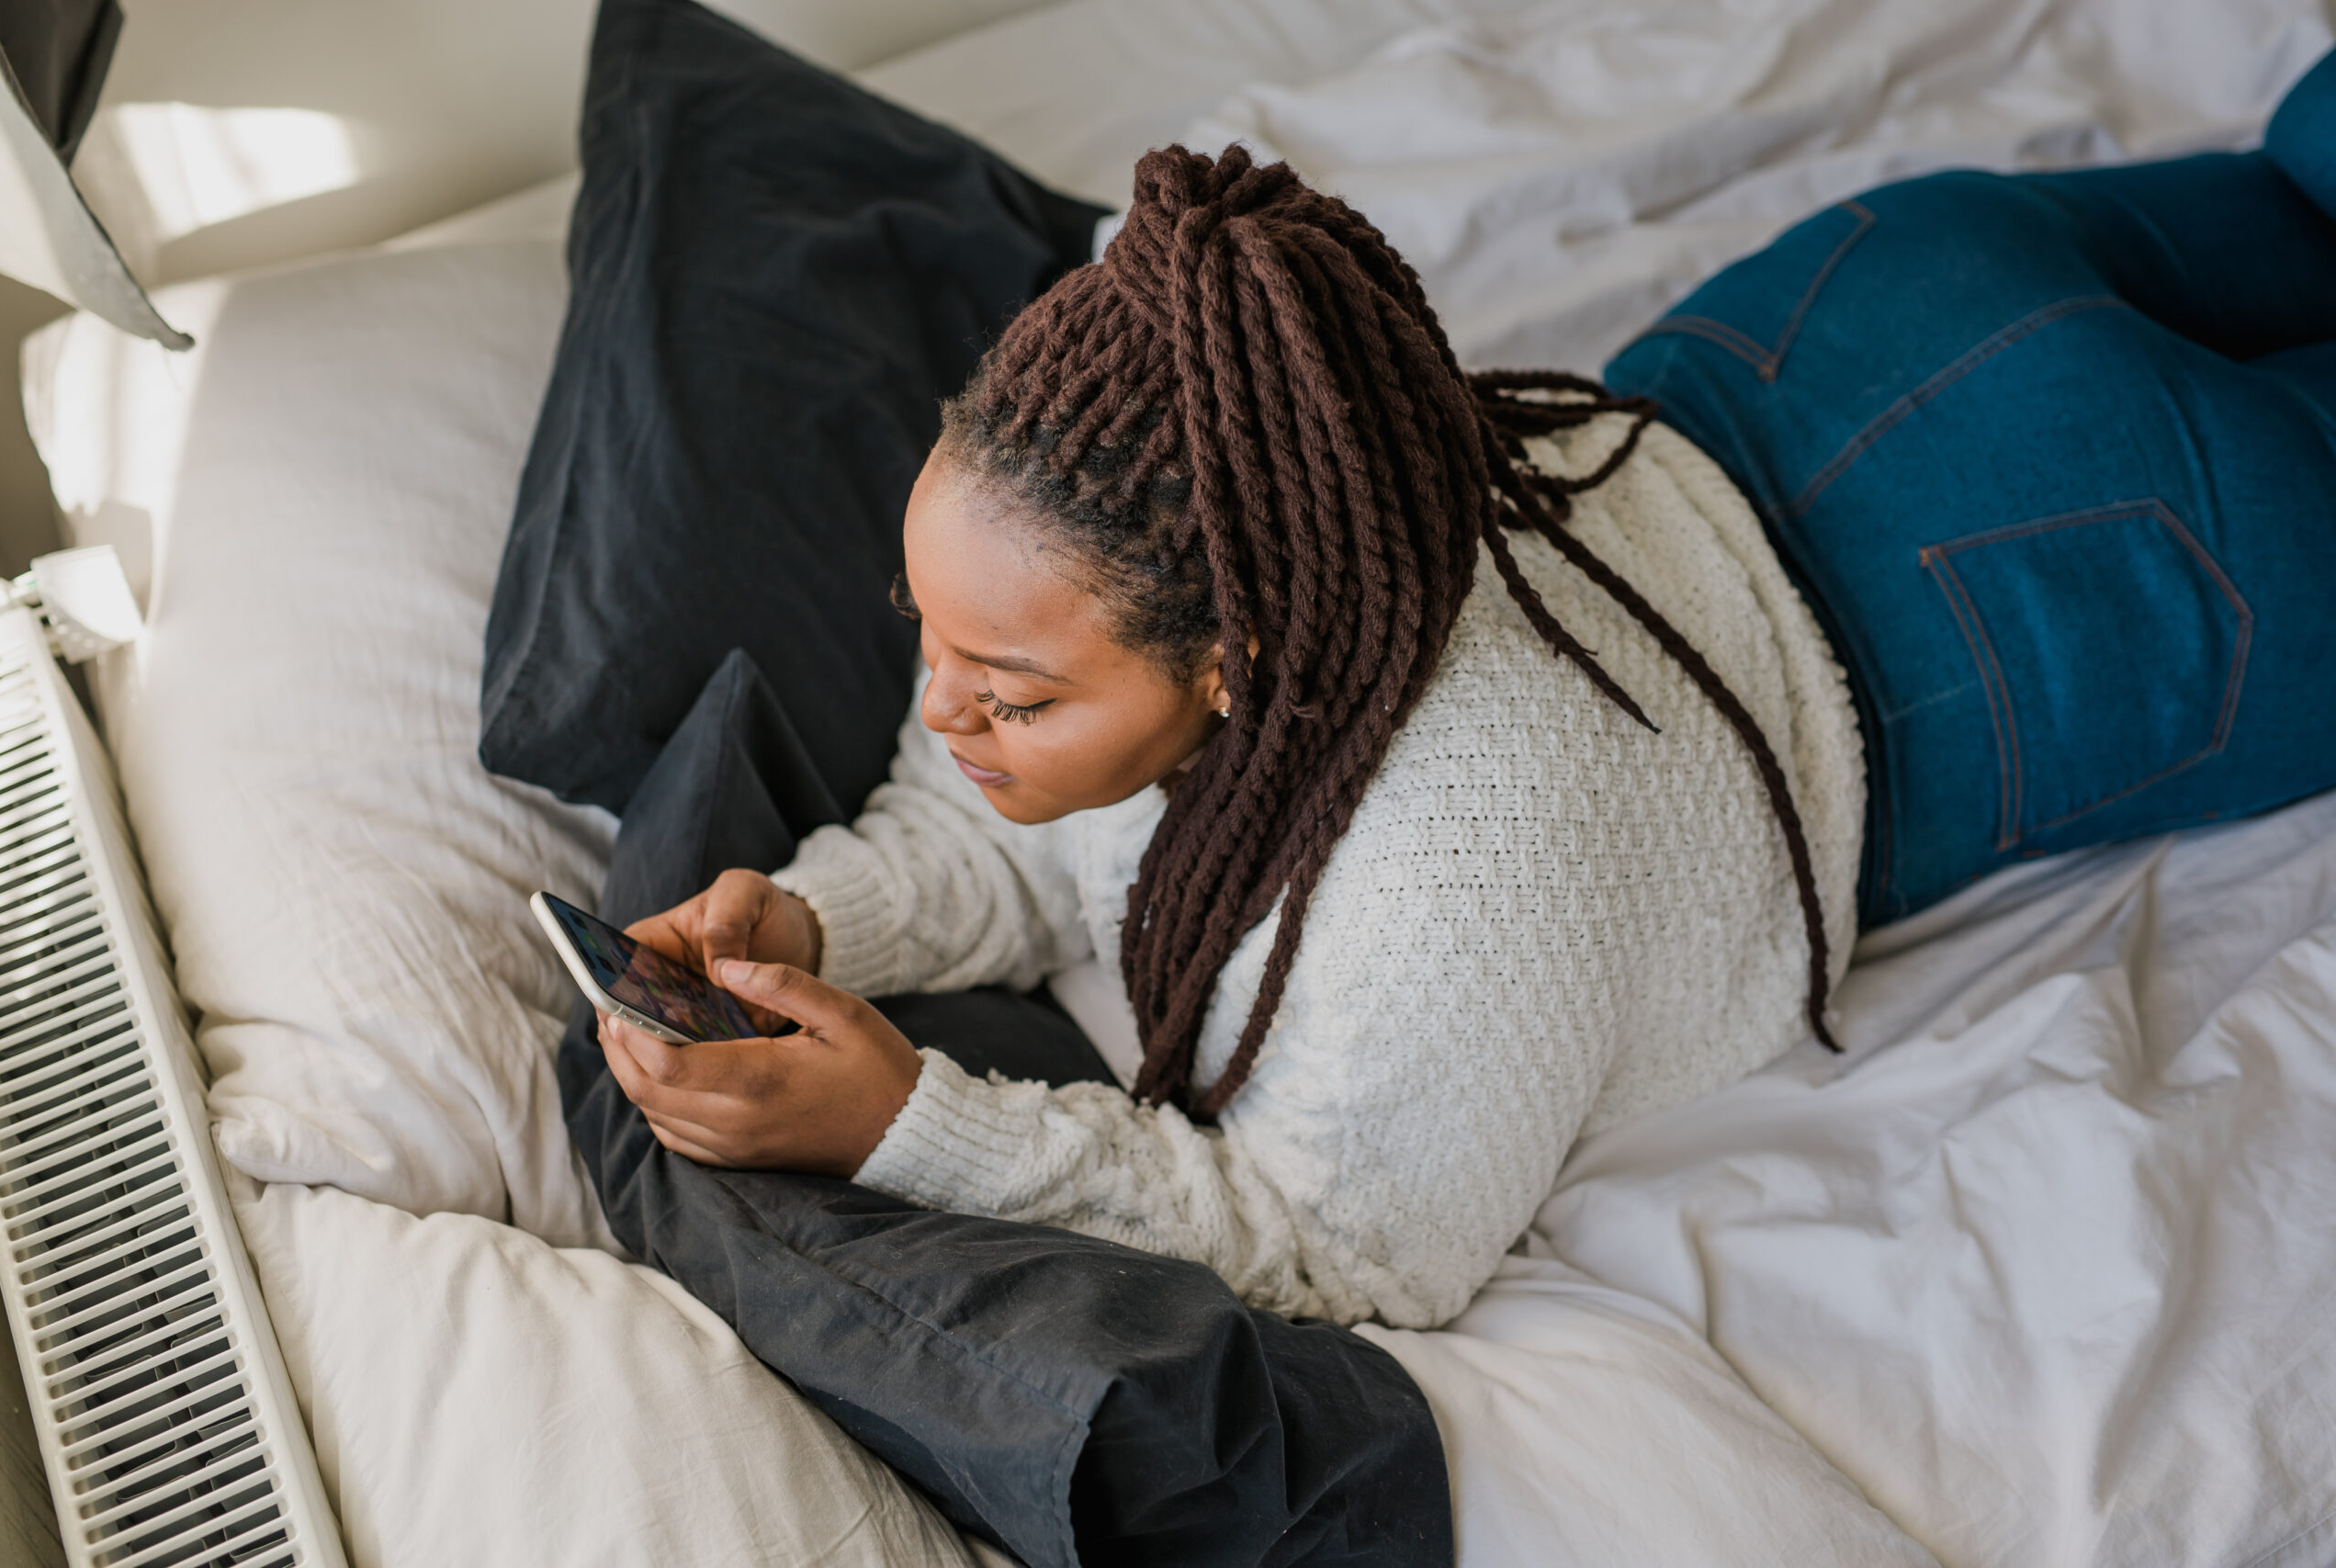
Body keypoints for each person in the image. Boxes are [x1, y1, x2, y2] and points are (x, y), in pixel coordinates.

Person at [561, 48, 2336, 1565]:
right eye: (920, 632)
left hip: (2075, 578)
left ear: (1236, 659)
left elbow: (1350, 1245)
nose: (942, 711)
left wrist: (906, 1124)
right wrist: (815, 921)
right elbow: (1008, 833)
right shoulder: (1262, 510)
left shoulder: (1463, 859)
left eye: (1007, 689)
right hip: (1856, 306)